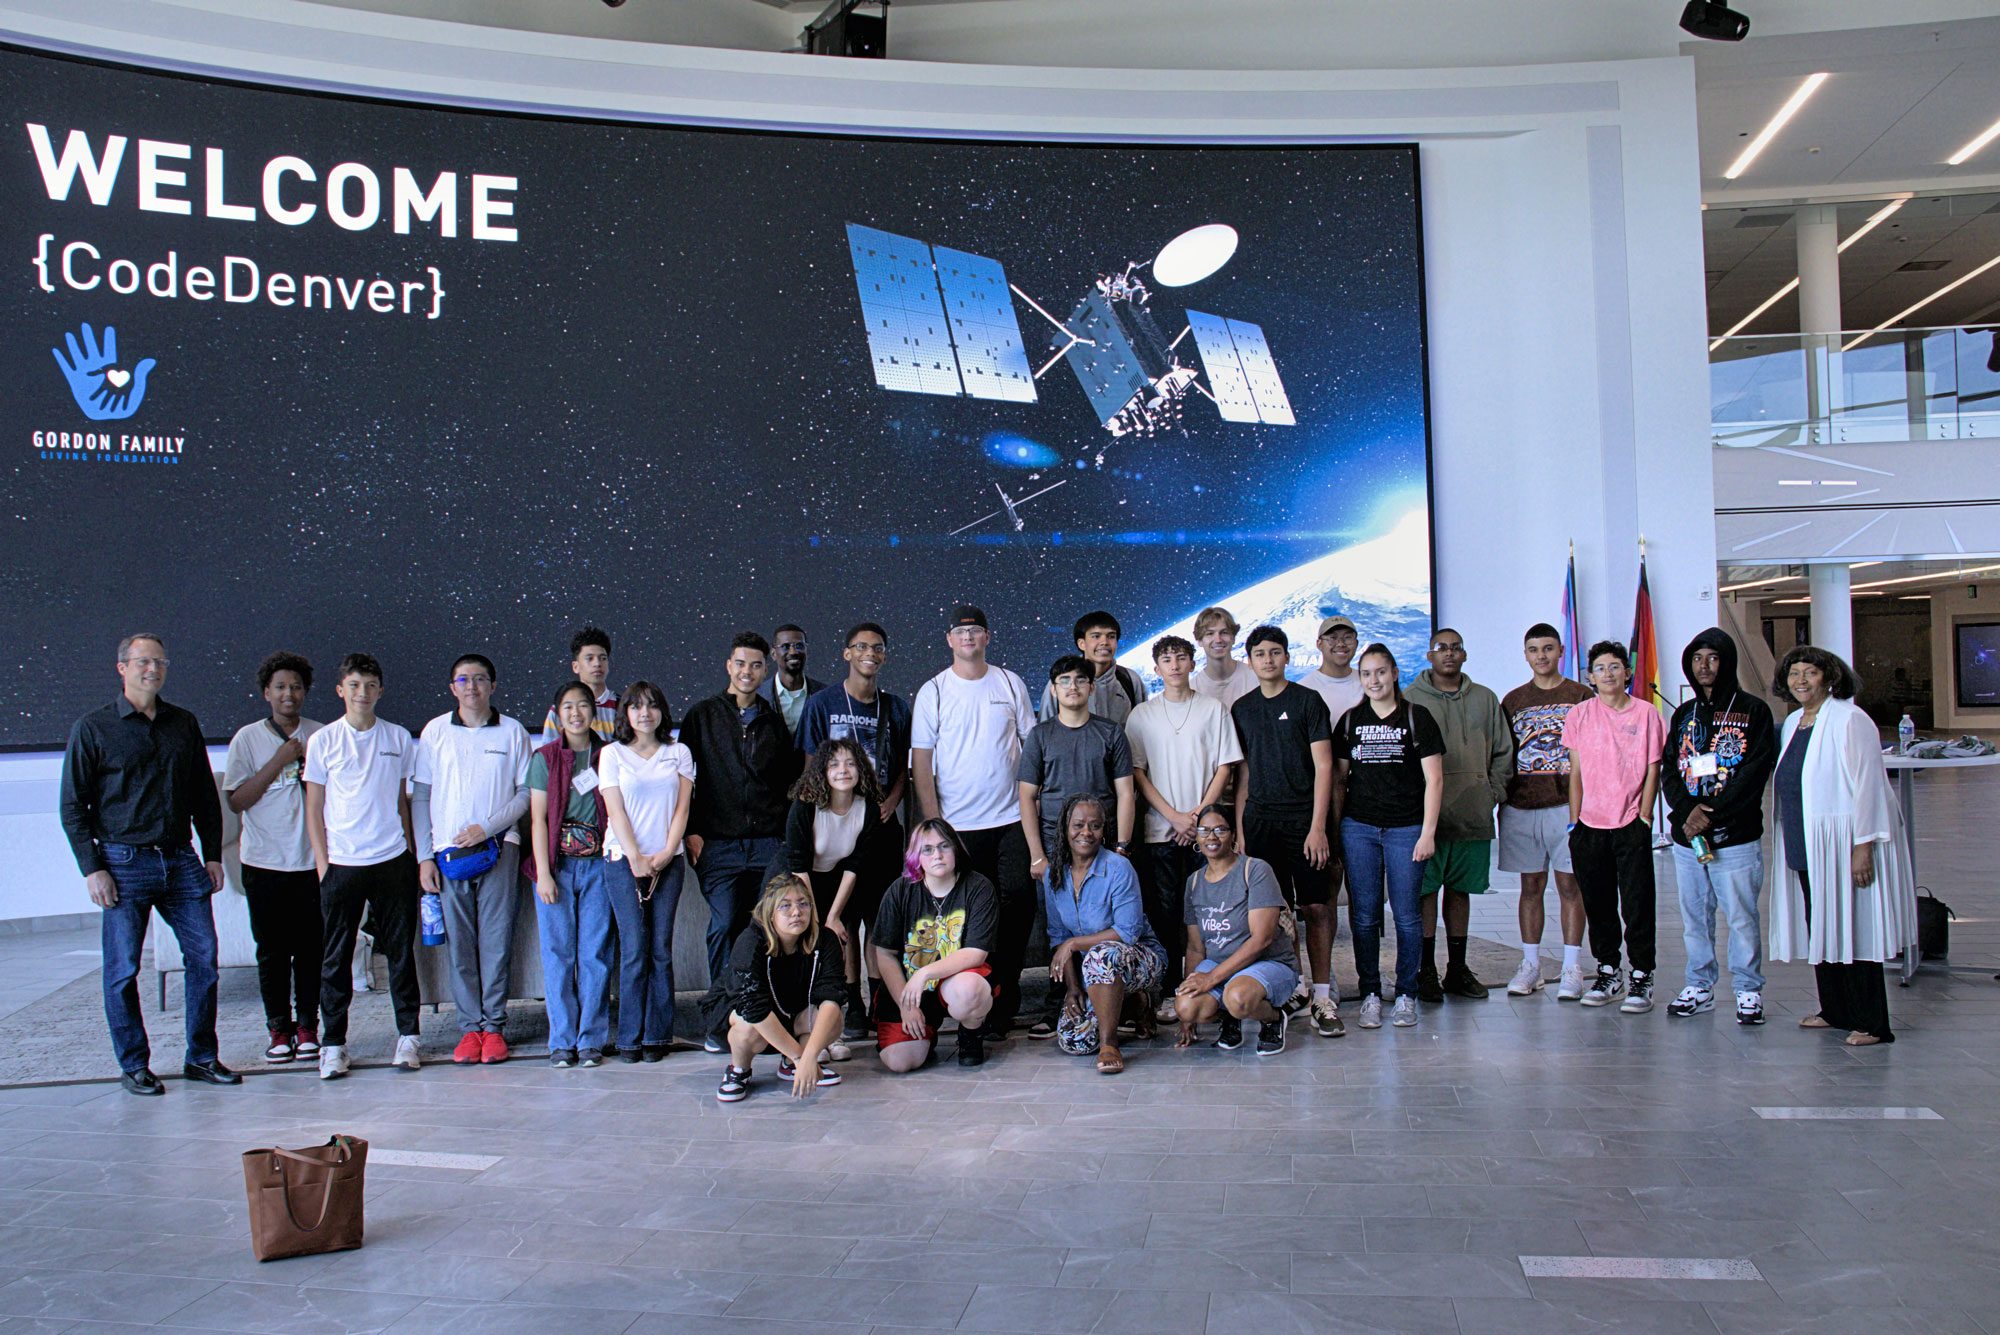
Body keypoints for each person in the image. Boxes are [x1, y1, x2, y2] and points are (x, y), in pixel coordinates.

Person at [60, 632, 238, 1096]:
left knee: (204, 960)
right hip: (122, 863)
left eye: (159, 662)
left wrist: (213, 853)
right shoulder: (93, 728)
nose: (152, 670)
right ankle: (134, 1064)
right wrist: (92, 868)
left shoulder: (183, 723)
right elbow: (73, 806)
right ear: (122, 668)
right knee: (122, 971)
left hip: (180, 860)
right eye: (142, 662)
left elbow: (204, 794)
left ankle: (201, 1057)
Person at [1766, 646, 1917, 1046]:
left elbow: (1868, 787)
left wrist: (1863, 846)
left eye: (1809, 672)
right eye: (1794, 673)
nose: (1801, 680)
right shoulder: (1795, 721)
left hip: (1843, 843)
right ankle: (1834, 1009)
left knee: (1855, 926)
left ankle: (1872, 1023)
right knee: (1822, 925)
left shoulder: (1851, 720)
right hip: (1805, 841)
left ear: (1828, 677)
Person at [911, 605, 1037, 1037]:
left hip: (1010, 819)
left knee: (1019, 904)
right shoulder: (935, 691)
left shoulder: (1008, 682)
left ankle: (1007, 998)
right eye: (960, 631)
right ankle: (978, 1002)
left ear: (987, 637)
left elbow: (1030, 746)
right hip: (958, 827)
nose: (968, 637)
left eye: (976, 631)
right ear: (949, 640)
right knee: (973, 918)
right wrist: (934, 826)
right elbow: (922, 761)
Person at [304, 652, 423, 1079]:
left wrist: (411, 852)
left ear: (380, 691)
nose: (363, 693)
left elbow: (403, 802)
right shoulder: (324, 741)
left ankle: (408, 1037)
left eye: (370, 685)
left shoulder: (396, 738)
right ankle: (333, 1044)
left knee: (400, 953)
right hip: (342, 863)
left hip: (392, 859)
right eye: (354, 685)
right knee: (335, 957)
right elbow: (313, 806)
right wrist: (323, 866)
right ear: (341, 691)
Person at [683, 632, 802, 1050]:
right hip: (719, 844)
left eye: (755, 665)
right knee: (724, 925)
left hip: (768, 843)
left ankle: (764, 1017)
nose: (747, 672)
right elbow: (685, 781)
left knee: (769, 929)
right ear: (728, 666)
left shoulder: (772, 721)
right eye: (740, 663)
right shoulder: (701, 717)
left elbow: (789, 783)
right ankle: (722, 1019)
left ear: (764, 670)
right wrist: (690, 832)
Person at [414, 653, 533, 1064]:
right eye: (463, 680)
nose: (471, 687)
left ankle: (495, 1028)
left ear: (493, 686)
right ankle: (469, 1029)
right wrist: (425, 856)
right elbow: (423, 796)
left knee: (497, 941)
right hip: (449, 855)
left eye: (480, 679)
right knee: (460, 944)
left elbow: (523, 795)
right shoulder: (434, 732)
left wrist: (487, 827)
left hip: (500, 847)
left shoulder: (513, 732)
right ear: (452, 687)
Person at [796, 621, 913, 1036]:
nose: (870, 653)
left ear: (884, 655)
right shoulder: (822, 703)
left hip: (880, 828)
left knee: (880, 920)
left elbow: (903, 765)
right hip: (837, 827)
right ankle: (852, 1002)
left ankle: (881, 998)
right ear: (847, 653)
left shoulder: (896, 707)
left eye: (877, 647)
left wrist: (892, 801)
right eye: (861, 647)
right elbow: (810, 765)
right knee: (840, 919)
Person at [1660, 628, 1778, 1024]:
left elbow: (1753, 773)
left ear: (1727, 661)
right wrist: (1686, 814)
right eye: (1697, 659)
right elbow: (1670, 773)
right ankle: (1699, 985)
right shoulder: (1684, 714)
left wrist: (1708, 814)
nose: (1704, 666)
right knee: (1695, 918)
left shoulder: (1754, 711)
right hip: (1688, 840)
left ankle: (1748, 990)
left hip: (1736, 837)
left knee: (1741, 917)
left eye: (1712, 657)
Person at [1231, 625, 1342, 1038]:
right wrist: (1242, 828)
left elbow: (1324, 767)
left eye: (1275, 652)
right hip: (1261, 823)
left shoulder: (1307, 702)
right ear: (1251, 660)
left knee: (1315, 908)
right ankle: (1294, 988)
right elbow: (1242, 773)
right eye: (1260, 654)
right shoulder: (1242, 709)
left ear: (1287, 657)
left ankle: (1323, 994)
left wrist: (1318, 828)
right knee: (1278, 916)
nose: (1268, 660)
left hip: (1303, 821)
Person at [1018, 655, 1137, 1039]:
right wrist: (1038, 854)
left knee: (1106, 924)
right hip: (1055, 851)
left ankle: (1119, 1000)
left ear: (1090, 687)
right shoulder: (1041, 735)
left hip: (1100, 846)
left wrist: (1121, 846)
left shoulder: (1110, 732)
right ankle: (1061, 1001)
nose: (1072, 686)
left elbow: (1125, 792)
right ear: (1054, 689)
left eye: (1080, 680)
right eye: (1064, 680)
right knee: (1059, 928)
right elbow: (1027, 797)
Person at [1125, 634, 1242, 1019]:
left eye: (1181, 658)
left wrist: (1196, 818)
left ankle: (1209, 986)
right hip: (1159, 831)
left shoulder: (1213, 709)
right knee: (1165, 914)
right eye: (1166, 659)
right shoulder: (1142, 714)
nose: (1174, 665)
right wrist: (1174, 817)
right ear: (1156, 669)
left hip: (1206, 835)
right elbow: (1137, 773)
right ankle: (1166, 991)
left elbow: (1225, 765)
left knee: (1208, 915)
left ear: (1193, 664)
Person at [1334, 643, 1444, 1030]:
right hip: (1359, 828)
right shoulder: (1349, 721)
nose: (1374, 680)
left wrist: (1428, 832)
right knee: (1363, 916)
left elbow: (1435, 779)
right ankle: (1369, 993)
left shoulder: (1417, 717)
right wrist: (1335, 828)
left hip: (1407, 830)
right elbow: (1339, 780)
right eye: (1366, 673)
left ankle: (1406, 994)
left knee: (1407, 915)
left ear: (1394, 673)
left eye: (1380, 672)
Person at [223, 651, 326, 1065]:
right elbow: (237, 801)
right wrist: (280, 760)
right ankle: (278, 1029)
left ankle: (307, 1027)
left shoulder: (321, 734)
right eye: (281, 687)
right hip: (264, 863)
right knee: (272, 950)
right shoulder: (247, 738)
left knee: (311, 950)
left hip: (311, 861)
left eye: (296, 687)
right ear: (267, 692)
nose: (289, 694)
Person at [1405, 628, 1511, 1002]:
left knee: (1461, 892)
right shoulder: (1410, 700)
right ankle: (1427, 970)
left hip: (1472, 815)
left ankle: (1457, 968)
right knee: (1426, 893)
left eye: (1455, 648)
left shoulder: (1485, 699)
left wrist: (1491, 792)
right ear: (1429, 655)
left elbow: (1502, 751)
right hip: (1426, 821)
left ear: (1464, 655)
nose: (1449, 654)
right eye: (1441, 648)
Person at [1562, 641, 1666, 1014]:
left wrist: (1646, 816)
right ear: (1590, 676)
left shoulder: (1646, 714)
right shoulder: (1579, 715)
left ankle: (1642, 975)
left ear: (1627, 672)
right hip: (1589, 823)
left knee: (1637, 902)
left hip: (1630, 822)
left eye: (1615, 667)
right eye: (1600, 668)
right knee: (1598, 902)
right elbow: (1575, 772)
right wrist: (1575, 822)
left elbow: (1653, 767)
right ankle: (1608, 970)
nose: (1608, 674)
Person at [776, 736, 891, 1061]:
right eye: (834, 764)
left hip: (836, 883)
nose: (843, 770)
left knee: (834, 951)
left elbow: (855, 865)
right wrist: (811, 917)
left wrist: (832, 917)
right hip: (794, 883)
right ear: (822, 770)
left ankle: (831, 1033)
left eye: (851, 763)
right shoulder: (806, 804)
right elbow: (798, 865)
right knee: (801, 953)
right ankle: (804, 1036)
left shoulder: (866, 807)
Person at [600, 680, 695, 1061]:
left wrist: (667, 852)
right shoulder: (612, 754)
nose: (644, 713)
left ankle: (658, 1036)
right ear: (625, 712)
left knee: (660, 950)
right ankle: (628, 1039)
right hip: (621, 861)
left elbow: (682, 809)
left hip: (668, 862)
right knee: (634, 949)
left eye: (652, 705)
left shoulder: (679, 753)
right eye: (636, 706)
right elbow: (615, 810)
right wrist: (636, 857)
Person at [1498, 624, 1593, 1000]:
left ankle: (1571, 967)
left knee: (1570, 884)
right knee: (1530, 886)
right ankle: (1531, 964)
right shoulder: (1513, 700)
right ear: (1525, 655)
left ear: (1561, 651)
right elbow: (1503, 753)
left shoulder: (1581, 696)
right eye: (1534, 649)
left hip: (1566, 806)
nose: (1542, 656)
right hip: (1522, 805)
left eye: (1548, 648)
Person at [1042, 793, 1168, 1074]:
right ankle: (1136, 1005)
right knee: (1073, 1040)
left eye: (1095, 825)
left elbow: (1128, 931)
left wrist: (1075, 944)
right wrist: (1073, 989)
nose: (1086, 832)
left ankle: (1110, 1044)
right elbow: (1059, 936)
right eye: (1078, 825)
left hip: (1140, 956)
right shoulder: (1054, 874)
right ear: (1065, 827)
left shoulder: (1118, 868)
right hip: (1093, 970)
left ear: (1104, 830)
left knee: (1100, 955)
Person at [528, 679, 615, 1068]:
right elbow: (537, 818)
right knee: (558, 955)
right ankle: (561, 1041)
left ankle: (591, 1040)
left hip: (599, 865)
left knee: (595, 955)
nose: (576, 713)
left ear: (593, 712)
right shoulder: (545, 757)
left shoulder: (609, 756)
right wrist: (544, 873)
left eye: (583, 706)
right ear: (556, 714)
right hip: (557, 868)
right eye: (568, 707)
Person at [872, 818, 1000, 1070]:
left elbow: (976, 952)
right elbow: (884, 953)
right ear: (915, 856)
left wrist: (926, 972)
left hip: (955, 981)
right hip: (912, 990)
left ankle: (971, 1034)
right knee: (900, 1062)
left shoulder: (978, 887)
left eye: (944, 846)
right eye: (927, 849)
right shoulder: (900, 891)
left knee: (969, 992)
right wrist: (905, 1005)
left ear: (956, 849)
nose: (937, 855)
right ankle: (925, 1034)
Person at [1172, 804, 1298, 1056]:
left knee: (1238, 997)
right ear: (1196, 836)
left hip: (1269, 963)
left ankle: (1273, 1018)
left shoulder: (1255, 870)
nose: (1212, 837)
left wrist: (1211, 978)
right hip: (1219, 965)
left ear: (1232, 835)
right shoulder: (1194, 882)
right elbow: (1196, 947)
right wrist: (1189, 993)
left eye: (1220, 829)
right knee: (1186, 1006)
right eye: (1205, 830)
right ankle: (1230, 1017)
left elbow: (1262, 940)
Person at [718, 873, 847, 1102]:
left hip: (793, 1012)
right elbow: (752, 1006)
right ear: (769, 912)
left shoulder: (825, 939)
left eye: (803, 904)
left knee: (832, 1019)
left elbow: (831, 998)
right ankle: (739, 1070)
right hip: (755, 1017)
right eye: (785, 906)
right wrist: (801, 1058)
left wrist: (810, 1056)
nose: (796, 912)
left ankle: (790, 1065)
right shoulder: (751, 941)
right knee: (748, 1028)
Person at [1037, 611, 1148, 725]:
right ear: (1081, 643)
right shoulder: (1061, 681)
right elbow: (1045, 731)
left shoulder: (1130, 679)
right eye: (1096, 636)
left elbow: (1143, 727)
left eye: (1111, 636)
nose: (1104, 642)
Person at [540, 626, 618, 742]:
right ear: (575, 666)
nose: (597, 663)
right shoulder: (559, 710)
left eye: (603, 658)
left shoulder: (622, 707)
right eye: (590, 658)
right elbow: (549, 756)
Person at [762, 624, 825, 737]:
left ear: (807, 651)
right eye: (785, 646)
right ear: (773, 654)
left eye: (799, 646)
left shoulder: (824, 695)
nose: (793, 652)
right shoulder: (758, 696)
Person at [1192, 606, 1259, 709]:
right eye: (1210, 633)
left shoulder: (1256, 677)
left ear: (1233, 638)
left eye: (1224, 632)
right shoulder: (1192, 690)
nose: (1218, 640)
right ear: (1200, 641)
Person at [1300, 616, 1365, 722]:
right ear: (1319, 644)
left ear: (1356, 644)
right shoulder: (1303, 690)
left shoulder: (1371, 684)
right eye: (1332, 638)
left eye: (1347, 637)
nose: (1340, 644)